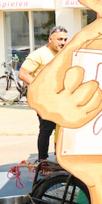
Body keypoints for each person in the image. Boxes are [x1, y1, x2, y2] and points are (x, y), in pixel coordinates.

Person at [18, 26, 68, 161]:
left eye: (65, 39)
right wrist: (41, 88)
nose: (62, 42)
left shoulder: (62, 53)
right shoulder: (39, 54)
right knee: (47, 129)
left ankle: (60, 160)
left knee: (61, 129)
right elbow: (23, 74)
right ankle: (43, 161)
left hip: (58, 98)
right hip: (43, 99)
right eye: (59, 39)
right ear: (50, 39)